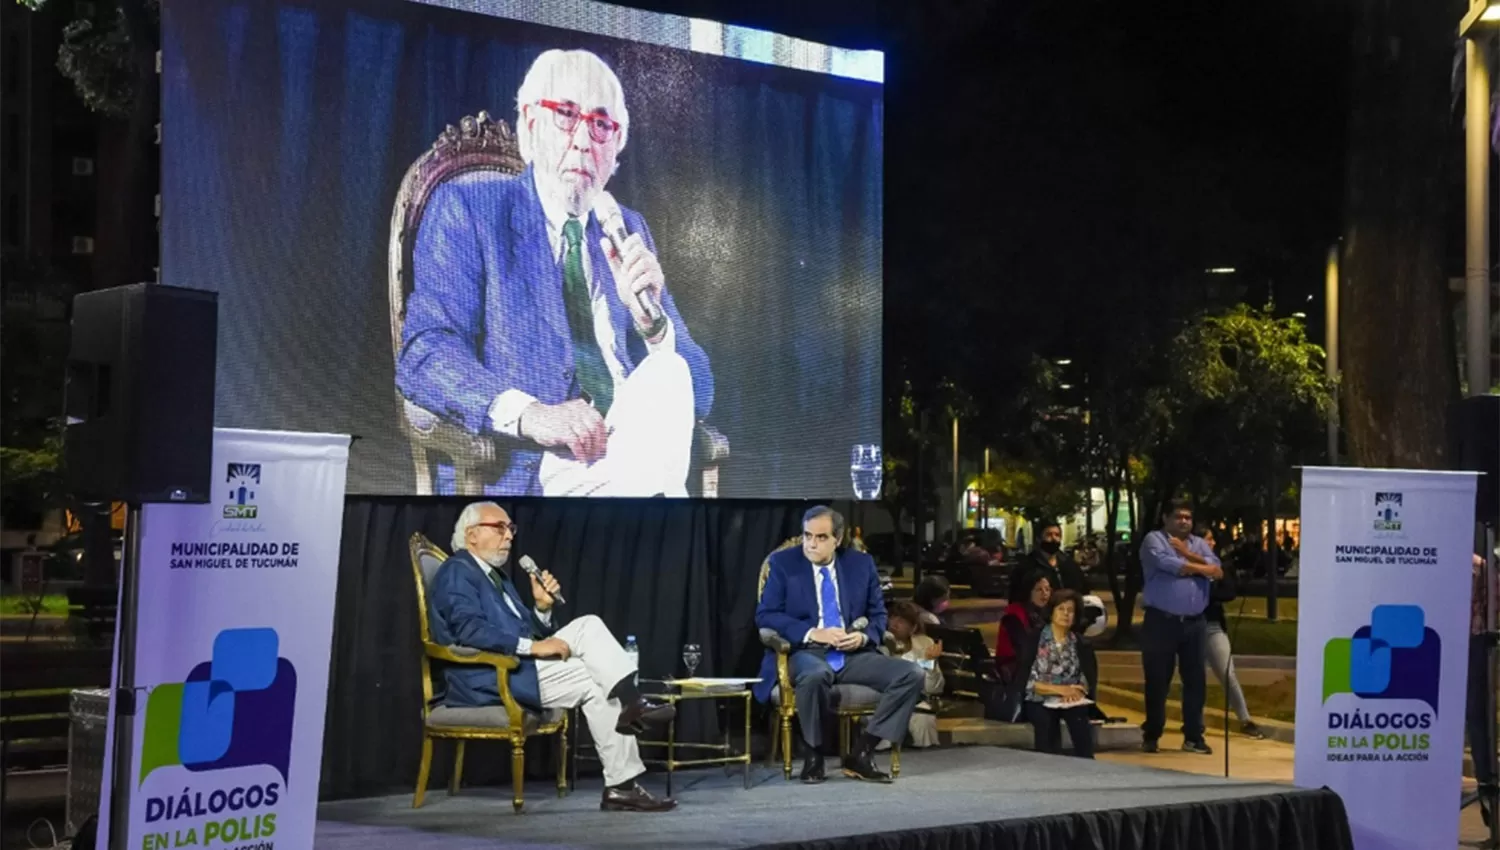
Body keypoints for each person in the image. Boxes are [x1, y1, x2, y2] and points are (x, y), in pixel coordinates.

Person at [397, 49, 714, 497]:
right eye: (566, 115)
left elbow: (698, 393)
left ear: (616, 148)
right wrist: (532, 414)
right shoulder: (471, 211)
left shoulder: (627, 230)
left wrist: (653, 325)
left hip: (627, 453)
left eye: (601, 124)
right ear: (530, 125)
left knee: (670, 372)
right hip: (532, 466)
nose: (584, 140)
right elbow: (425, 355)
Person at [426, 501, 677, 811]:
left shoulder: (496, 577)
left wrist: (542, 610)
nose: (509, 536)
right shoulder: (457, 571)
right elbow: (469, 631)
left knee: (599, 677)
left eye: (511, 529)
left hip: (519, 667)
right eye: (500, 528)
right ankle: (632, 706)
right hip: (486, 677)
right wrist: (531, 648)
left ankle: (621, 784)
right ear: (472, 534)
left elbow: (527, 632)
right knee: (589, 628)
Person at [755, 506, 925, 783]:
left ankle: (862, 752)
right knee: (815, 675)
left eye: (821, 537)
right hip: (805, 652)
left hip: (852, 653)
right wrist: (812, 632)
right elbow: (766, 615)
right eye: (807, 535)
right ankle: (814, 754)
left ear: (838, 538)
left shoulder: (860, 564)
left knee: (912, 674)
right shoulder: (784, 564)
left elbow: (878, 615)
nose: (811, 543)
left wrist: (864, 636)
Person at [1138, 499, 1221, 756]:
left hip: (1195, 624)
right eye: (1178, 517)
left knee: (1196, 681)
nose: (1183, 521)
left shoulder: (1197, 543)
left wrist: (1187, 555)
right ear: (1165, 518)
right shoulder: (1154, 540)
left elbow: (1217, 571)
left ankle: (1193, 737)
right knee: (1158, 681)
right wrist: (1202, 568)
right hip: (1161, 621)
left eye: (1187, 517)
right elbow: (1174, 568)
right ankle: (1152, 734)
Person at [1198, 527, 1265, 740]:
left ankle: (1245, 719)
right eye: (1206, 540)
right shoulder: (1185, 565)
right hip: (1190, 626)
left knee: (1227, 673)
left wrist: (1209, 584)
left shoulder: (1220, 565)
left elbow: (1228, 592)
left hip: (1212, 626)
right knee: (1193, 678)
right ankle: (1194, 723)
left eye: (1211, 540)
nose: (1211, 544)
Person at [1024, 589, 1095, 759]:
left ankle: (1088, 764)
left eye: (1070, 611)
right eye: (1061, 609)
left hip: (1069, 699)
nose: (1066, 614)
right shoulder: (1035, 639)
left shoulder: (1079, 643)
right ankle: (1050, 766)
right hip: (1039, 698)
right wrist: (1062, 690)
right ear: (1052, 612)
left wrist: (1078, 692)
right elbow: (1030, 683)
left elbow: (1088, 678)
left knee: (1079, 717)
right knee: (1046, 721)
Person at [881, 601, 945, 748]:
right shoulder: (881, 644)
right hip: (886, 700)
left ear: (913, 628)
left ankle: (927, 758)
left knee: (924, 716)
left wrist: (929, 662)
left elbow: (933, 688)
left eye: (901, 622)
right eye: (892, 619)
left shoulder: (924, 644)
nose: (894, 625)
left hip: (916, 699)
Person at [1469, 551, 1496, 827]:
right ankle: (1485, 781)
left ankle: (1486, 783)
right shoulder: (1482, 566)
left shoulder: (1479, 567)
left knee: (1475, 715)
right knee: (1475, 716)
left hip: (1465, 645)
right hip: (1473, 644)